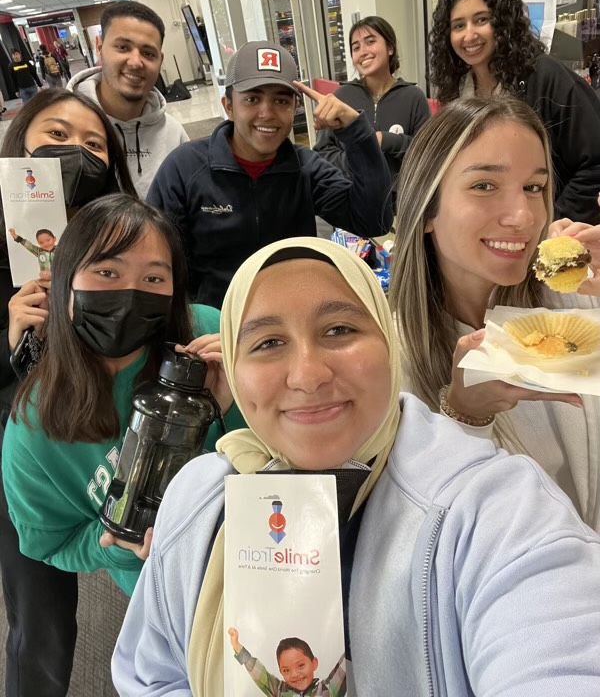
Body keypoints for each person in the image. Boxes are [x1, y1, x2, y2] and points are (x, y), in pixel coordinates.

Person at [112, 235, 600, 697]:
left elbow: (558, 654)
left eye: (339, 330)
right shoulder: (195, 498)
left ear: (388, 343)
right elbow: (150, 672)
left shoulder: (496, 510)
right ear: (234, 372)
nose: (307, 376)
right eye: (267, 343)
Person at [2, 194, 243, 692]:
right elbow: (50, 542)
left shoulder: (207, 333)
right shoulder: (34, 426)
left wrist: (238, 395)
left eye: (154, 278)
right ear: (63, 280)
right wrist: (114, 547)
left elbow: (285, 450)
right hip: (167, 599)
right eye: (107, 273)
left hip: (264, 554)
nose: (131, 294)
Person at [389, 96, 600, 531]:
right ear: (427, 208)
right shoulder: (390, 355)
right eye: (484, 185)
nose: (523, 217)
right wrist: (464, 417)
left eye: (534, 187)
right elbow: (414, 536)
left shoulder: (575, 303)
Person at [0, 88, 139, 697]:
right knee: (41, 613)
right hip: (23, 444)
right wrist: (8, 336)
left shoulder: (120, 233)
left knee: (138, 553)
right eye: (56, 136)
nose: (75, 153)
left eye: (92, 143)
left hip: (104, 428)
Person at [147, 40, 393, 309]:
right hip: (214, 327)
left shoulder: (306, 168)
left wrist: (357, 133)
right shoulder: (184, 168)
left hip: (292, 319)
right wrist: (193, 322)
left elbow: (374, 221)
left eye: (280, 100)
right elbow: (155, 262)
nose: (267, 113)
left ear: (294, 108)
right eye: (252, 98)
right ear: (228, 105)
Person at [429, 0, 600, 224]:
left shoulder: (546, 77)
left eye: (481, 20)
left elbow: (595, 164)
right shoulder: (457, 92)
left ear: (503, 22)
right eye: (458, 25)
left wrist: (551, 224)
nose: (469, 35)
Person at [67, 1, 189, 198]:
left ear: (160, 60)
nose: (135, 62)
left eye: (148, 53)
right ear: (99, 47)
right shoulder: (63, 128)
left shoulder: (174, 134)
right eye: (123, 47)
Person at [313, 15, 430, 201]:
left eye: (370, 42)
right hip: (351, 200)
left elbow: (428, 153)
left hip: (402, 203)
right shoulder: (342, 97)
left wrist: (387, 140)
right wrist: (358, 159)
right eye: (356, 47)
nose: (363, 51)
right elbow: (322, 153)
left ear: (390, 48)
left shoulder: (413, 97)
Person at [228, 628, 345, 697]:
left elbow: (343, 667)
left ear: (314, 663)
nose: (294, 674)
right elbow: (260, 675)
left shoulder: (326, 690)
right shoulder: (279, 691)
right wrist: (238, 647)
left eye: (301, 665)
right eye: (286, 670)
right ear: (281, 672)